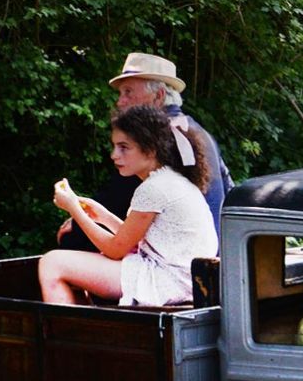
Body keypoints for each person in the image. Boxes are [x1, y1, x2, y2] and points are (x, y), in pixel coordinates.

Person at [37, 105, 217, 306]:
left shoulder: (154, 188)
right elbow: (131, 240)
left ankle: (67, 334)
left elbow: (117, 249)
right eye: (114, 146)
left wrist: (74, 209)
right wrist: (102, 215)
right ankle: (80, 330)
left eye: (124, 147)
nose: (114, 155)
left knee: (52, 263)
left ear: (150, 150)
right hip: (181, 279)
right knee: (74, 265)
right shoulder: (168, 180)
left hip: (167, 281)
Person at [57, 52, 233, 252]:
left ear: (158, 96)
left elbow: (118, 197)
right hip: (218, 253)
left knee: (70, 244)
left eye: (128, 92)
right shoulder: (199, 132)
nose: (120, 101)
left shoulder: (154, 141)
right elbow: (229, 191)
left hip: (184, 261)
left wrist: (79, 221)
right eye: (121, 93)